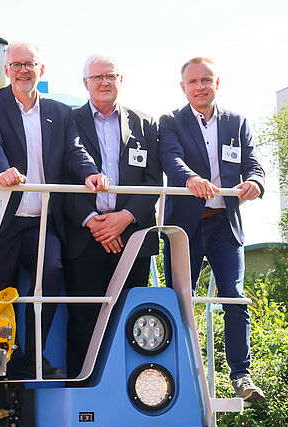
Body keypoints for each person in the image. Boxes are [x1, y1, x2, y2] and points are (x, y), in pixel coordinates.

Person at [0, 41, 109, 379]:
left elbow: (74, 152)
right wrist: (2, 169)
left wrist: (90, 172)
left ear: (41, 70)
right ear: (6, 70)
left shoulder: (60, 112)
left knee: (50, 273)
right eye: (16, 64)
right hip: (2, 220)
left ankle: (33, 357)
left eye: (29, 64)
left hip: (41, 221)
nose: (23, 70)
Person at [158, 57, 266, 401]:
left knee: (235, 296)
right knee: (179, 299)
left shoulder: (237, 121)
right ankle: (177, 370)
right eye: (193, 82)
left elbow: (253, 162)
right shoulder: (171, 121)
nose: (200, 87)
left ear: (217, 82)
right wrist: (190, 179)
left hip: (224, 226)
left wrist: (255, 182)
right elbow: (171, 159)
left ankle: (241, 376)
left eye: (206, 80)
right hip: (184, 227)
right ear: (183, 88)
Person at [64, 54, 162, 378]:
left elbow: (153, 180)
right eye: (97, 78)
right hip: (86, 236)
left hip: (132, 238)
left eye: (110, 76)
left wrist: (125, 217)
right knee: (84, 318)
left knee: (130, 317)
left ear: (121, 79)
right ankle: (82, 389)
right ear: (85, 84)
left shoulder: (145, 123)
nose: (104, 82)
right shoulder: (70, 120)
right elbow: (63, 174)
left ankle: (130, 385)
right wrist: (93, 220)